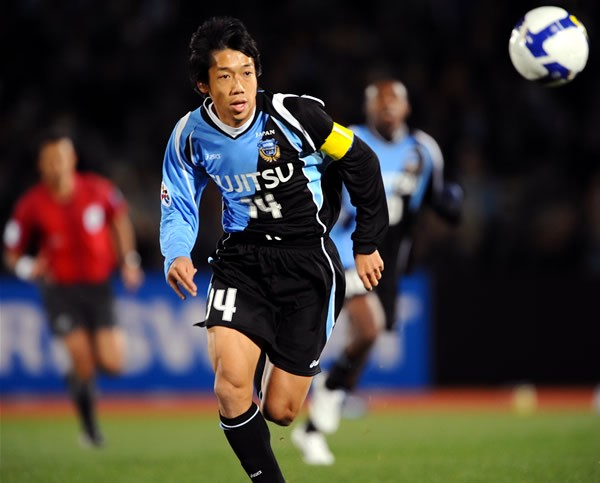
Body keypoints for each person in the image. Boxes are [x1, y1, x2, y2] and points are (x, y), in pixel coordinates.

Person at [159, 16, 388, 482]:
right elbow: (178, 202)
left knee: (281, 410)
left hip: (308, 262)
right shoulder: (189, 135)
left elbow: (361, 161)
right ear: (204, 85)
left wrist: (366, 242)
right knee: (230, 387)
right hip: (241, 261)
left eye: (246, 73)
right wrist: (177, 252)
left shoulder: (296, 115)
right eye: (225, 76)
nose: (238, 86)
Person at [291, 79, 464, 465]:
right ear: (367, 108)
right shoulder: (345, 139)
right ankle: (321, 402)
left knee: (371, 335)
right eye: (379, 101)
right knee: (368, 328)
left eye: (394, 100)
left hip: (387, 260)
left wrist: (451, 206)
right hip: (343, 248)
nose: (387, 107)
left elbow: (433, 197)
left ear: (407, 108)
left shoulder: (423, 149)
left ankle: (319, 416)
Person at [2, 129, 144, 447]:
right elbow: (11, 251)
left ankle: (75, 378)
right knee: (82, 359)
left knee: (112, 363)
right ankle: (91, 429)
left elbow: (120, 219)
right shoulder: (31, 204)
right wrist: (27, 267)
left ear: (72, 159)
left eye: (62, 157)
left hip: (99, 287)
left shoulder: (97, 189)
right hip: (61, 291)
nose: (57, 165)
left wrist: (129, 260)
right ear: (41, 164)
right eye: (50, 159)